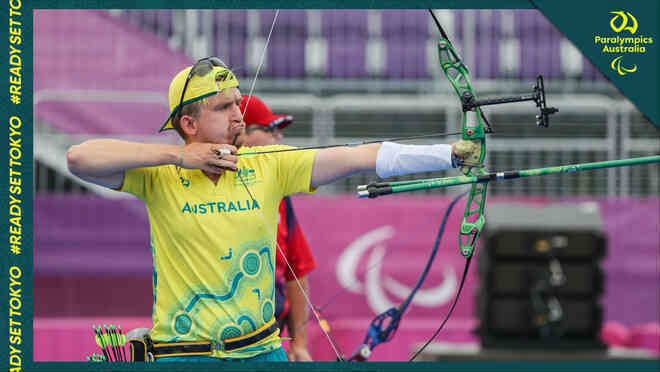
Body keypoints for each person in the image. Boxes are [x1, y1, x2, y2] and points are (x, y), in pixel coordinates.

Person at [66, 57, 473, 362]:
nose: (238, 115)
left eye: (237, 103)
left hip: (262, 353)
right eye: (224, 107)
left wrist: (448, 154)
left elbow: (358, 156)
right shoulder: (157, 177)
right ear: (189, 124)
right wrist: (177, 158)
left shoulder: (269, 164)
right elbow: (79, 158)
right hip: (183, 354)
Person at [237, 95, 315, 361]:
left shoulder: (279, 197)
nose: (277, 138)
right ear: (240, 132)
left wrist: (300, 343)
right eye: (270, 130)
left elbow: (297, 270)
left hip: (270, 338)